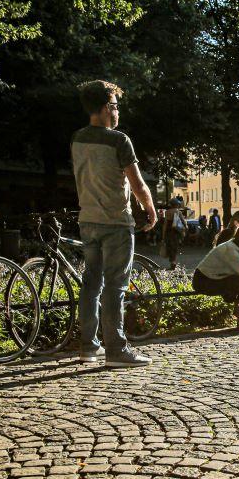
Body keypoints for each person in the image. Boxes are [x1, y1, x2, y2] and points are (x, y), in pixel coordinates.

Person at [71, 80, 157, 367]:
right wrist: (150, 208)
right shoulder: (118, 140)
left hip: (88, 220)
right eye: (116, 106)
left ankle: (88, 347)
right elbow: (137, 184)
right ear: (107, 108)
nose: (118, 112)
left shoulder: (77, 139)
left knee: (91, 284)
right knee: (115, 287)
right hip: (116, 222)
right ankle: (116, 350)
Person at [162, 198, 187, 270]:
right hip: (176, 232)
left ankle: (172, 263)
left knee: (170, 247)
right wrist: (184, 229)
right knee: (175, 247)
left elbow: (165, 224)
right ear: (177, 204)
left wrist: (163, 235)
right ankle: (173, 263)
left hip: (168, 232)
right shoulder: (178, 212)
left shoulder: (167, 212)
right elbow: (184, 222)